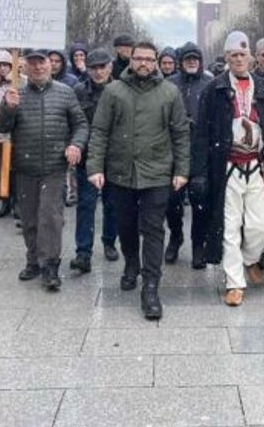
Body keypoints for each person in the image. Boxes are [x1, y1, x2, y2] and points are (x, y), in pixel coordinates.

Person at [192, 31, 264, 306]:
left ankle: (249, 259)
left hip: (258, 167)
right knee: (229, 226)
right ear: (227, 58)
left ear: (251, 58)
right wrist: (198, 173)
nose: (239, 59)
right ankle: (234, 282)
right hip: (227, 167)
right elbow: (202, 136)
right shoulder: (214, 90)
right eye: (234, 55)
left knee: (262, 225)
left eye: (243, 55)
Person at [87, 41, 190, 320]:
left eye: (148, 59)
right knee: (126, 225)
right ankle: (131, 263)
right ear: (130, 61)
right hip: (121, 172)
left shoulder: (169, 92)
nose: (143, 63)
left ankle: (151, 287)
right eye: (138, 58)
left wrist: (182, 169)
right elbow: (99, 132)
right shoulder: (113, 91)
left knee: (154, 228)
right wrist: (95, 167)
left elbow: (180, 133)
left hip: (157, 172)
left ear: (156, 61)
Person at [0, 49, 88, 291]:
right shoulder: (16, 94)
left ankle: (50, 265)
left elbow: (80, 124)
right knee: (29, 219)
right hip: (25, 167)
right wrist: (8, 107)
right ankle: (33, 259)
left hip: (54, 168)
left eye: (42, 63)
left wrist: (75, 144)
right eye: (32, 63)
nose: (38, 68)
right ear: (24, 67)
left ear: (51, 65)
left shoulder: (65, 93)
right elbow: (2, 126)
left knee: (50, 217)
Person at [72, 49, 120, 270]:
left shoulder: (120, 89)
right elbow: (74, 121)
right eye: (94, 68)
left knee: (112, 204)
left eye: (103, 67)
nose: (99, 72)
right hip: (88, 156)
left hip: (113, 157)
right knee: (86, 204)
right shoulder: (79, 91)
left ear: (110, 67)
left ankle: (109, 241)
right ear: (88, 69)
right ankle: (83, 251)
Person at [167, 42, 213, 267]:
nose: (192, 62)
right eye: (188, 59)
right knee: (172, 202)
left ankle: (198, 244)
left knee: (200, 201)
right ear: (181, 62)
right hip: (174, 152)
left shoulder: (210, 84)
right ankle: (175, 237)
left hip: (201, 152)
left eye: (195, 58)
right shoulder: (170, 84)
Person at [0, 49, 25, 218]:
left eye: (5, 65)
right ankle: (5, 202)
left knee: (17, 170)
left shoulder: (22, 82)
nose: (2, 68)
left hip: (17, 134)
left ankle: (18, 203)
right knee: (2, 171)